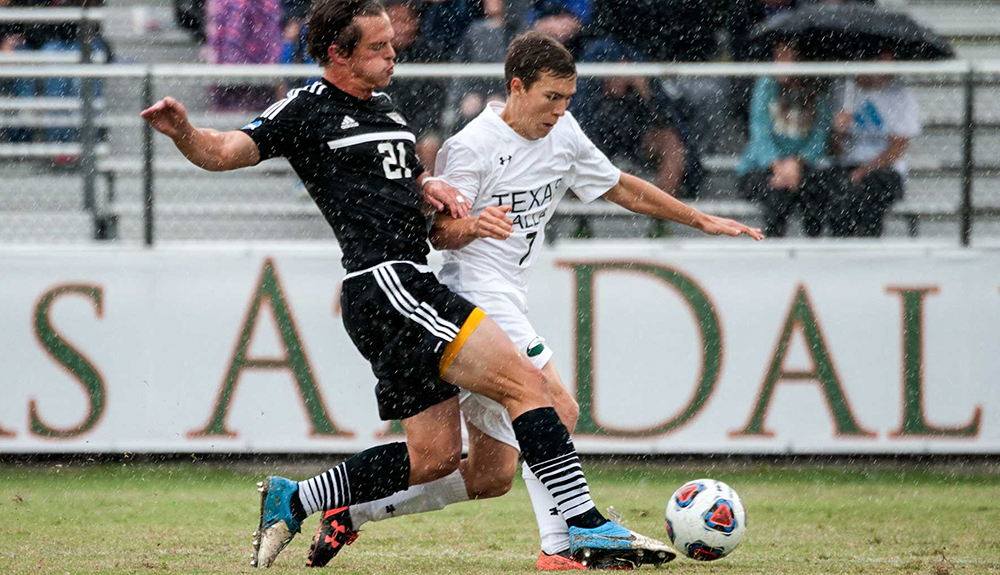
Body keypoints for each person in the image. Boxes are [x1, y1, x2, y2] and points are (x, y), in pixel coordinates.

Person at [140, 1, 675, 569]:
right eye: (377, 47)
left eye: (392, 43)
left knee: (436, 456)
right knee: (528, 383)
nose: (393, 52)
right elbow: (224, 151)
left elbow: (391, 178)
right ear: (337, 53)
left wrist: (429, 186)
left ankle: (295, 498)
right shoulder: (306, 108)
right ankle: (585, 527)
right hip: (391, 283)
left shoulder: (386, 109)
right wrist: (184, 132)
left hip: (394, 290)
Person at [304, 31, 762, 571]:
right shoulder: (471, 147)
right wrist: (474, 225)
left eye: (568, 98)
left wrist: (698, 218)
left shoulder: (563, 133)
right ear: (517, 87)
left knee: (490, 476)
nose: (561, 110)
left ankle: (349, 515)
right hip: (470, 293)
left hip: (508, 296)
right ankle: (562, 548)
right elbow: (438, 235)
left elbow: (619, 186)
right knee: (556, 404)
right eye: (551, 98)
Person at [736, 40, 835, 237]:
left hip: (802, 167)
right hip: (760, 167)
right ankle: (774, 249)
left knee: (815, 189)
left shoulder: (819, 92)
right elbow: (759, 130)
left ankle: (814, 248)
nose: (779, 63)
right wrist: (778, 166)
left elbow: (819, 135)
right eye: (777, 57)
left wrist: (796, 164)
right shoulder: (766, 83)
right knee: (776, 192)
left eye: (786, 57)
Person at [829, 49, 920, 237]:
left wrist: (866, 169)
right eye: (880, 58)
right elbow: (833, 149)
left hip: (884, 169)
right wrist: (838, 133)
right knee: (831, 188)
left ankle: (867, 244)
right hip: (846, 165)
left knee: (869, 193)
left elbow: (897, 147)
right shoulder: (843, 89)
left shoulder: (900, 94)